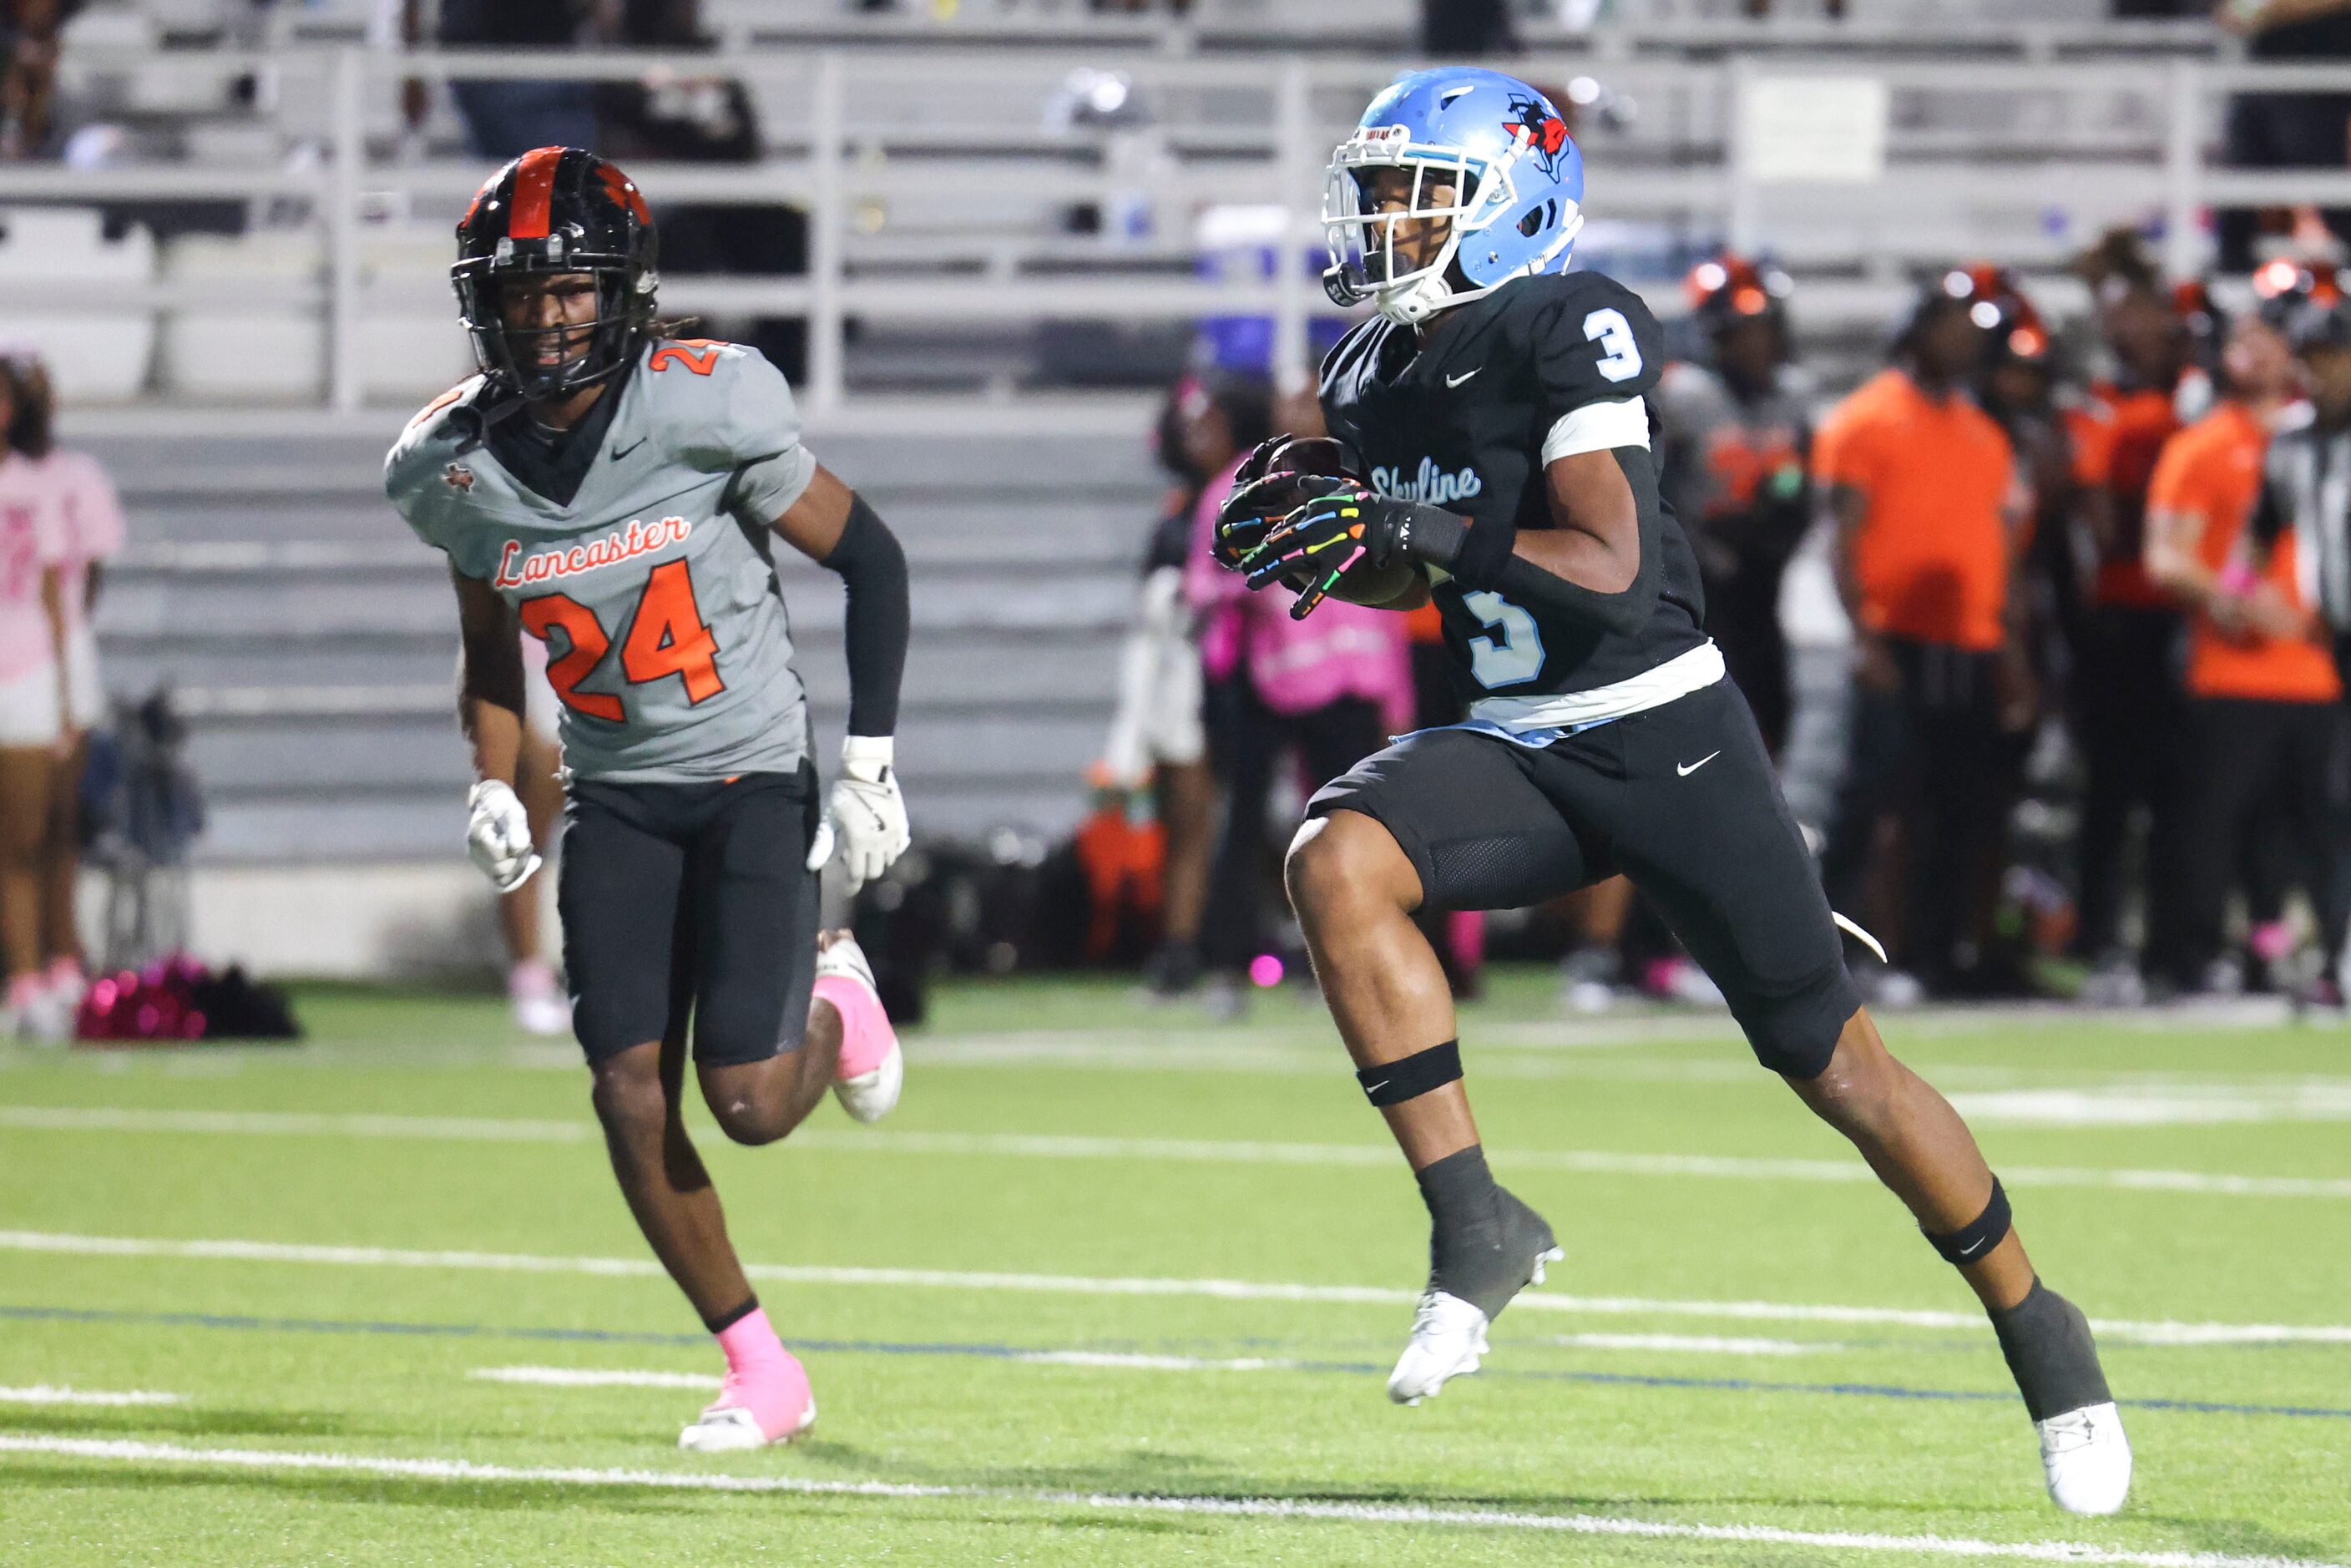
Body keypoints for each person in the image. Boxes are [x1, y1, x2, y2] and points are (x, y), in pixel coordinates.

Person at [1212, 68, 2129, 1515]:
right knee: (1335, 858)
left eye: (1414, 192)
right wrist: (1349, 547)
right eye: (1377, 191)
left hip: (1663, 733)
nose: (1383, 220)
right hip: (1516, 735)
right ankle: (1476, 1222)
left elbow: (1605, 566)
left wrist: (1413, 524)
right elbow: (1427, 570)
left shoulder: (1570, 320)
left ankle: (2042, 1332)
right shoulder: (1369, 371)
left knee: (1840, 1070)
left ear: (1509, 205)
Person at [386, 148, 913, 1450]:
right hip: (618, 794)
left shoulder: (707, 403)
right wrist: (494, 779)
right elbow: (492, 644)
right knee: (626, 1088)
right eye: (521, 294)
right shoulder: (447, 466)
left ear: (621, 289)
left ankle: (840, 1011)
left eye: (571, 288)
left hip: (746, 777)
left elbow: (875, 558)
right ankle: (760, 1367)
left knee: (744, 1101)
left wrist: (869, 757)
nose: (548, 315)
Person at [1815, 274, 2036, 999]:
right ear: (1917, 329)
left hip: (1968, 642)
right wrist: (1865, 636)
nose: (1966, 339)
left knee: (1958, 808)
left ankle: (1937, 955)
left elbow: (1996, 560)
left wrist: (2010, 654)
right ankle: (1835, 957)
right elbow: (1843, 540)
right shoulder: (1866, 418)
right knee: (1875, 804)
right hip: (1895, 637)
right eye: (1952, 323)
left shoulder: (1985, 435)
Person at [2146, 290, 2349, 1000]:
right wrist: (2237, 594)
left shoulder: (2302, 438)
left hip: (2318, 671)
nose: (2318, 373)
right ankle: (2216, 957)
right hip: (2269, 666)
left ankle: (2308, 952)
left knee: (2315, 825)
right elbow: (2233, 545)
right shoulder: (2257, 445)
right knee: (2234, 825)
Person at [1186, 380, 1409, 1007]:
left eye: (1307, 401)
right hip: (1267, 681)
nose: (1295, 413)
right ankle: (1230, 965)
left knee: (1352, 832)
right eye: (1286, 403)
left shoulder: (1364, 480)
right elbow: (1203, 583)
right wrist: (1250, 580)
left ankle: (1347, 963)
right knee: (1245, 825)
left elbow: (1392, 589)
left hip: (1348, 685)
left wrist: (1394, 689)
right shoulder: (1242, 483)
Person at [2072, 256, 2197, 989]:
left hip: (2186, 616)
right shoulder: (2100, 405)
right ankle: (2098, 941)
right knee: (2113, 788)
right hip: (2121, 615)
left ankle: (2176, 945)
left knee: (2182, 793)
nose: (2128, 330)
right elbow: (2094, 514)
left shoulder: (2197, 399)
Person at [2, 351, 124, 1017]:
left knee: (53, 827)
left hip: (40, 664)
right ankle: (30, 971)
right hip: (28, 664)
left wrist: (65, 679)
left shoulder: (62, 480)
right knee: (19, 835)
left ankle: (55, 963)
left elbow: (72, 584)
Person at [1654, 254, 1809, 756]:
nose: (1758, 344)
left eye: (1765, 328)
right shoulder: (1681, 394)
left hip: (1764, 578)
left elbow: (1796, 484)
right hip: (1698, 583)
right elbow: (1658, 494)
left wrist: (1778, 520)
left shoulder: (1791, 398)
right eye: (1744, 330)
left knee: (1772, 711)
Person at [0, 364, 71, 1039]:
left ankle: (29, 982)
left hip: (20, 671)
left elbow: (53, 592)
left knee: (25, 838)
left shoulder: (31, 488)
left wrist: (66, 695)